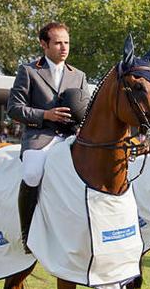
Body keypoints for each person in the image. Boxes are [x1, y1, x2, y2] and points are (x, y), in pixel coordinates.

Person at [7, 22, 89, 253]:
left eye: (67, 42)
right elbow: (14, 108)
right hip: (39, 136)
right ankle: (27, 233)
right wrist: (46, 114)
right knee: (32, 173)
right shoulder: (29, 71)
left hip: (71, 137)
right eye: (58, 43)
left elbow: (87, 110)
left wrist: (83, 127)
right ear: (44, 44)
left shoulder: (79, 75)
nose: (64, 48)